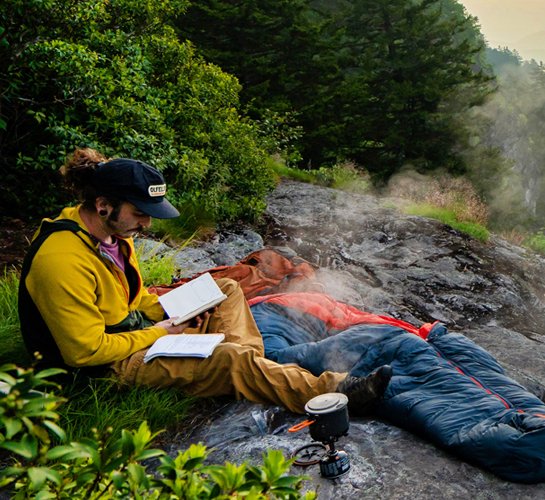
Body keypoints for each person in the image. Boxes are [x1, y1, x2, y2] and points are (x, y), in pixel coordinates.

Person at [18, 148, 391, 414]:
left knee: (225, 289)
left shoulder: (111, 234)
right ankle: (335, 391)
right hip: (103, 367)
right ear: (103, 205)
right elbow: (84, 352)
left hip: (130, 330)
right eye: (140, 213)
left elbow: (126, 299)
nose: (147, 224)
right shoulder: (61, 260)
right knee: (231, 358)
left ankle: (244, 370)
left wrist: (174, 308)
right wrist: (161, 332)